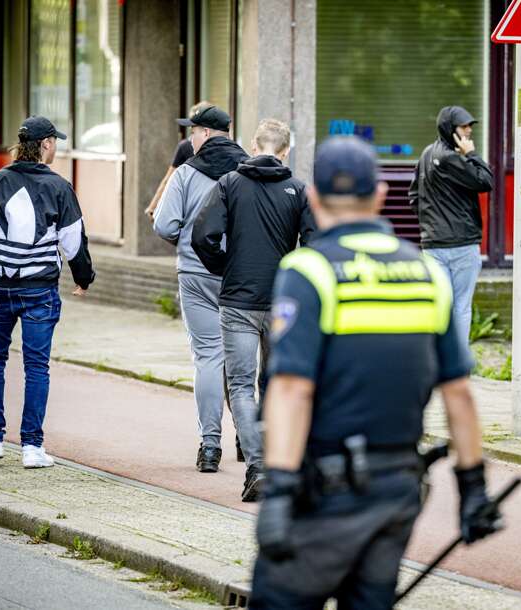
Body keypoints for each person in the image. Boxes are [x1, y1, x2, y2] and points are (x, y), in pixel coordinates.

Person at [249, 136, 502, 609]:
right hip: (397, 491)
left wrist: (279, 488)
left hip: (322, 493)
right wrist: (473, 490)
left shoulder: (311, 271)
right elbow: (459, 394)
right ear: (380, 196)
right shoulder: (426, 273)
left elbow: (291, 390)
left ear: (315, 198)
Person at [192, 118, 316, 501]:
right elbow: (314, 246)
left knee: (242, 386)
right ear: (285, 150)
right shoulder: (298, 190)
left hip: (239, 301)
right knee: (277, 385)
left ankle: (257, 466)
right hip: (283, 302)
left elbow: (202, 235)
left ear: (252, 144)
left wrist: (225, 266)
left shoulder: (230, 184)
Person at [0, 116, 95, 468]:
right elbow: (73, 239)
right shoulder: (59, 187)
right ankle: (31, 448)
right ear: (47, 144)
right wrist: (83, 277)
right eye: (56, 142)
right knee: (36, 366)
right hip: (39, 289)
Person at [152, 105, 248, 473]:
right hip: (240, 276)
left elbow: (164, 225)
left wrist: (185, 242)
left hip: (195, 273)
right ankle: (246, 438)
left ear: (205, 134)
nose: (189, 138)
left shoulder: (186, 174)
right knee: (242, 361)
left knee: (208, 356)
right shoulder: (249, 169)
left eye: (192, 131)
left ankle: (210, 447)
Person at [409, 105, 494, 346]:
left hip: (432, 245)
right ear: (450, 129)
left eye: (469, 126)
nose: (468, 131)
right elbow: (486, 181)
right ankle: (457, 368)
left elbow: (414, 196)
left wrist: (429, 224)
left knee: (438, 306)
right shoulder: (453, 158)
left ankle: (436, 361)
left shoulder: (426, 154)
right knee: (461, 308)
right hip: (461, 244)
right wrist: (472, 155)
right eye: (463, 126)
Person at [143, 102, 211, 221]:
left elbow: (168, 180)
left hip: (189, 211)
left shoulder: (185, 147)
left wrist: (153, 206)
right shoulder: (225, 147)